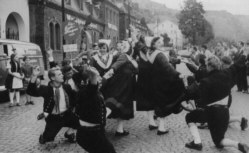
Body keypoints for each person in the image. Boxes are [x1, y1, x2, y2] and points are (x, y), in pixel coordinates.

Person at [184, 56, 249, 152]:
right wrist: (244, 56)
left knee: (189, 117)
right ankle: (238, 145)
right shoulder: (227, 73)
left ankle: (197, 142)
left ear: (210, 67)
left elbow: (192, 94)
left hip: (211, 113)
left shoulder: (205, 82)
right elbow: (237, 65)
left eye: (206, 66)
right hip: (225, 113)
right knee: (219, 141)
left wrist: (185, 84)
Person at [27, 66, 80, 144]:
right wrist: (34, 76)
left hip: (67, 114)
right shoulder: (46, 89)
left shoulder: (67, 87)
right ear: (52, 78)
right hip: (54, 118)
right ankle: (44, 136)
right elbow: (30, 91)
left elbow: (76, 97)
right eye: (59, 75)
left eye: (62, 74)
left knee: (81, 123)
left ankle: (69, 133)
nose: (62, 75)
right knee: (48, 139)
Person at [147, 37, 185, 135]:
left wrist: (178, 61)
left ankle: (159, 125)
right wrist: (178, 74)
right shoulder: (159, 54)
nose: (160, 43)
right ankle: (161, 128)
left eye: (161, 42)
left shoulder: (150, 53)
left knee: (158, 104)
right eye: (158, 42)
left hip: (153, 82)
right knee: (164, 104)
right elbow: (167, 67)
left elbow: (167, 60)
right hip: (162, 82)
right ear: (154, 44)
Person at [75, 65, 116, 153]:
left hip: (94, 132)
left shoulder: (87, 92)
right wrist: (93, 75)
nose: (100, 79)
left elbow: (98, 84)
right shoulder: (86, 93)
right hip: (90, 134)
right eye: (98, 77)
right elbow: (92, 87)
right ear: (87, 81)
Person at [101, 41, 138, 136]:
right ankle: (98, 126)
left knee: (122, 108)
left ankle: (120, 130)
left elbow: (136, 70)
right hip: (119, 87)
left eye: (124, 45)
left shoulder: (131, 58)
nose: (122, 47)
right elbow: (115, 66)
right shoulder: (123, 56)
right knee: (111, 105)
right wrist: (105, 77)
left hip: (126, 88)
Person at [134, 36, 157, 130]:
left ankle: (152, 120)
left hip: (143, 75)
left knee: (148, 99)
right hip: (149, 75)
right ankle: (152, 121)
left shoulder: (138, 47)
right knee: (151, 98)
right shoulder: (144, 48)